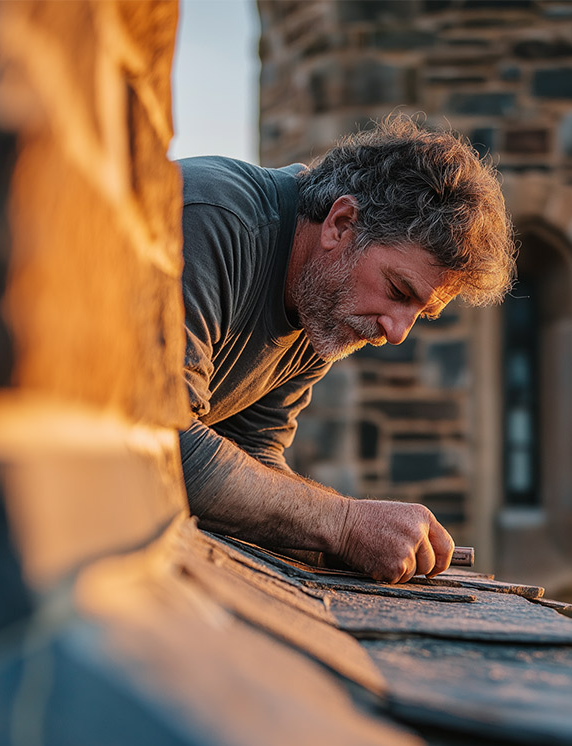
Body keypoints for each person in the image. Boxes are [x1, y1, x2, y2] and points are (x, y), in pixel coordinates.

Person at [177, 115, 514, 583]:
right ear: (341, 223)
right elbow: (158, 442)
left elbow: (253, 458)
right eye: (398, 290)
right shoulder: (212, 222)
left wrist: (354, 539)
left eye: (422, 314)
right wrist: (342, 524)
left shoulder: (324, 305)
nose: (397, 332)